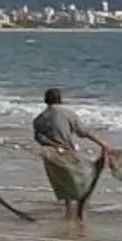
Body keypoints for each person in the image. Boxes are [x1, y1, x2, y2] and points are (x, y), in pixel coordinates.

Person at [32, 88, 115, 220]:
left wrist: (53, 145)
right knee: (83, 178)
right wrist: (102, 143)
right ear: (60, 99)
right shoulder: (68, 114)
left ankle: (69, 213)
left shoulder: (39, 119)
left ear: (45, 100)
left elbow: (38, 138)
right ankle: (80, 214)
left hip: (50, 157)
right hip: (67, 153)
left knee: (64, 183)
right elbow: (83, 132)